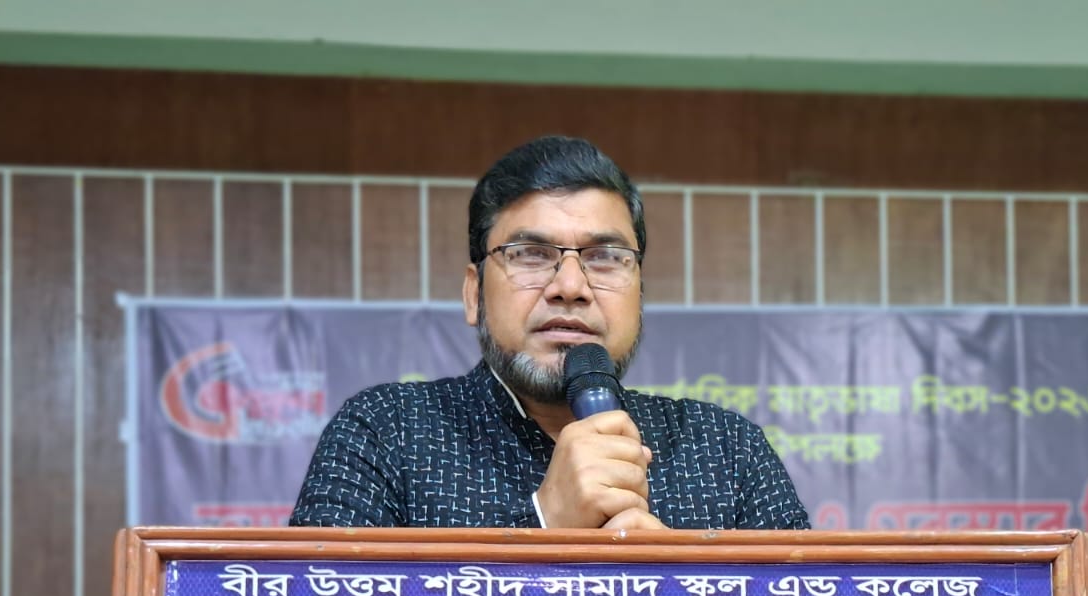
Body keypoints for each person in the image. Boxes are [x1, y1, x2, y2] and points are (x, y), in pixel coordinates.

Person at [289, 135, 809, 531]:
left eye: (605, 257)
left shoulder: (725, 450)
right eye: (532, 255)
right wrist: (544, 526)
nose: (570, 287)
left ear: (639, 293)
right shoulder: (386, 433)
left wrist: (670, 586)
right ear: (473, 294)